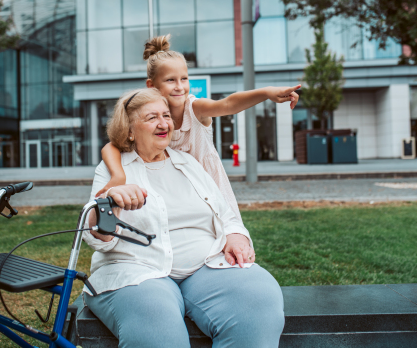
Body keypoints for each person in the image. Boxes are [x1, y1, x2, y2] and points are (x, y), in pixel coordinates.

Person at [82, 88, 285, 348]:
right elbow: (95, 237)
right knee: (156, 322)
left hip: (206, 266)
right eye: (152, 117)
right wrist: (112, 201)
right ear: (130, 130)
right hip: (137, 271)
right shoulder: (114, 169)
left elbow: (225, 213)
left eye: (166, 115)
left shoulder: (187, 163)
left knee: (259, 299)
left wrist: (235, 234)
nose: (163, 123)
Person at [97, 34, 300, 240]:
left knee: (225, 236)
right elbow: (111, 146)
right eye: (170, 80)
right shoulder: (150, 117)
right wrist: (118, 176)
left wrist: (266, 93)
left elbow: (228, 104)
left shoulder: (194, 108)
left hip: (206, 187)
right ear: (152, 85)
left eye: (184, 79)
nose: (179, 86)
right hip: (176, 190)